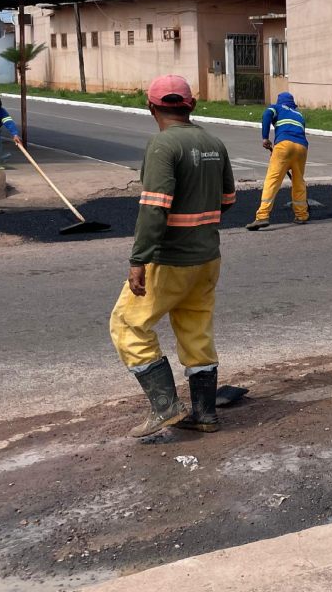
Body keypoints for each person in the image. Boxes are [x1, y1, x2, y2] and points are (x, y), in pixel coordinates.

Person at [107, 75, 236, 438]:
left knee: (127, 326)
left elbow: (154, 209)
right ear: (191, 105)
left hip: (169, 259)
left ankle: (166, 407)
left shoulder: (163, 146)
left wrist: (138, 260)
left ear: (151, 108)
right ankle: (205, 414)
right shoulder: (214, 142)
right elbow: (228, 201)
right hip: (207, 257)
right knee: (196, 331)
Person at [247, 91, 309, 230]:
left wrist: (265, 137)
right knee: (298, 181)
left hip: (284, 145)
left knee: (272, 180)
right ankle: (301, 214)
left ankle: (262, 216)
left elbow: (266, 115)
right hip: (302, 147)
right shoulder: (299, 115)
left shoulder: (277, 107)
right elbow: (300, 132)